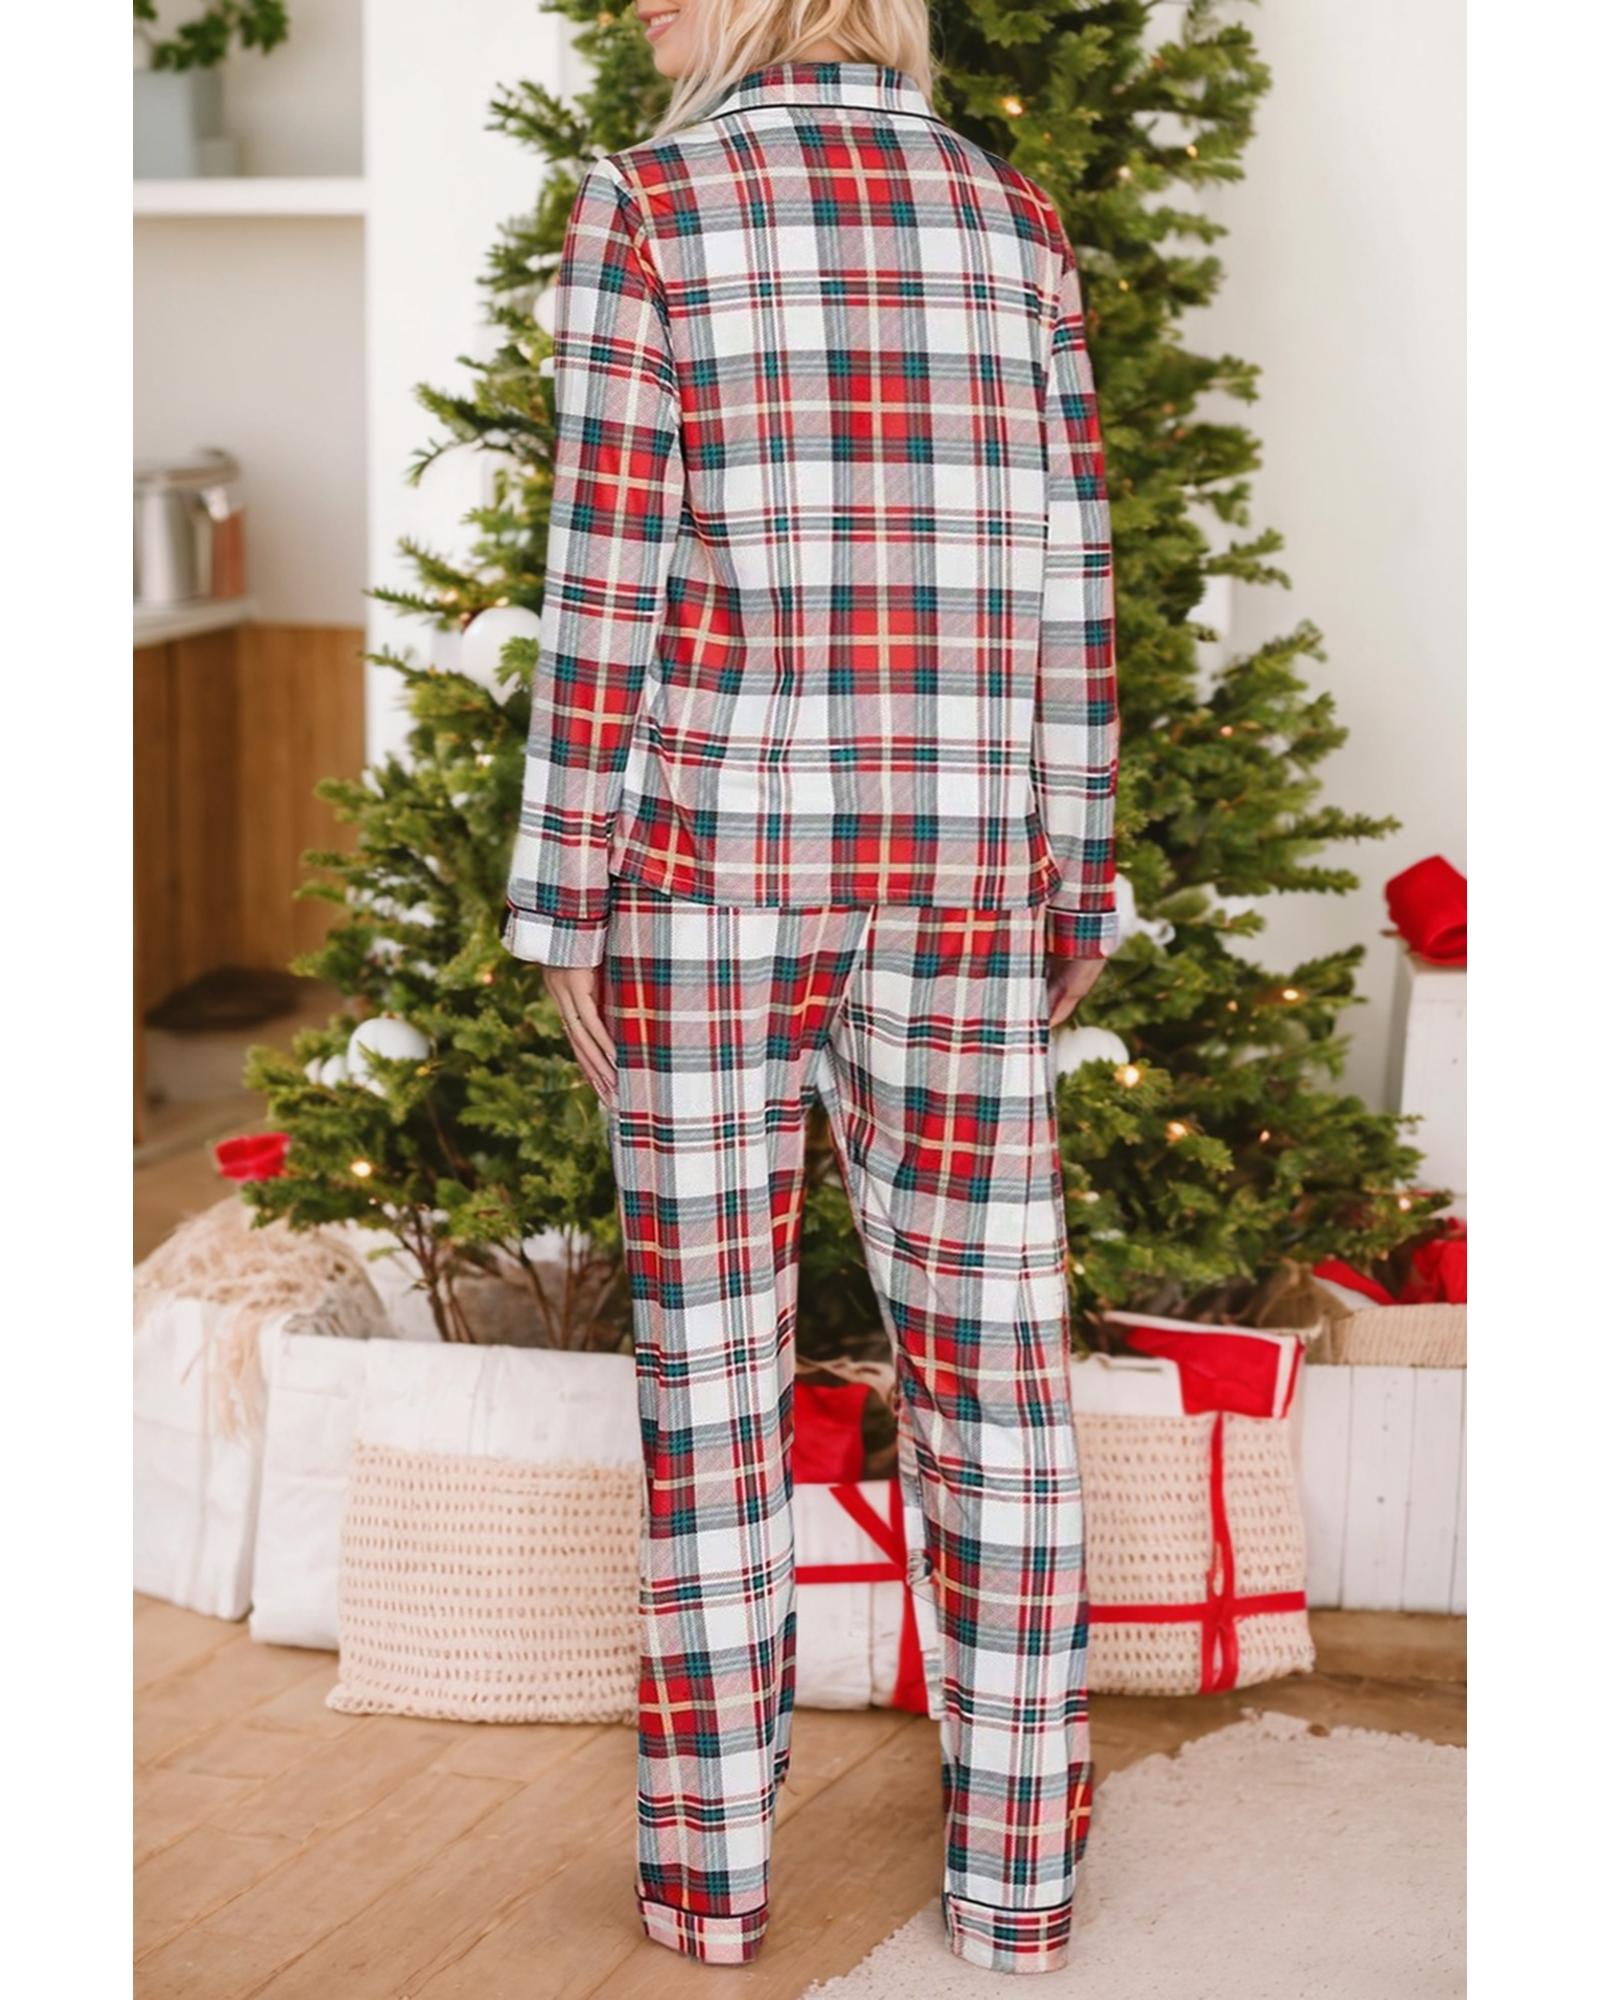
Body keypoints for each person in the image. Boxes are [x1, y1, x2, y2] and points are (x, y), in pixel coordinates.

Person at [502, 0, 1119, 1974]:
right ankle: (1017, 1893)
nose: (638, 8)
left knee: (712, 1391)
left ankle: (710, 1887)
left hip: (707, 880)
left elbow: (603, 579)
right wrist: (1079, 865)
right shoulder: (1012, 218)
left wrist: (561, 898)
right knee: (995, 1385)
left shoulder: (649, 208)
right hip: (965, 872)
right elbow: (1072, 579)